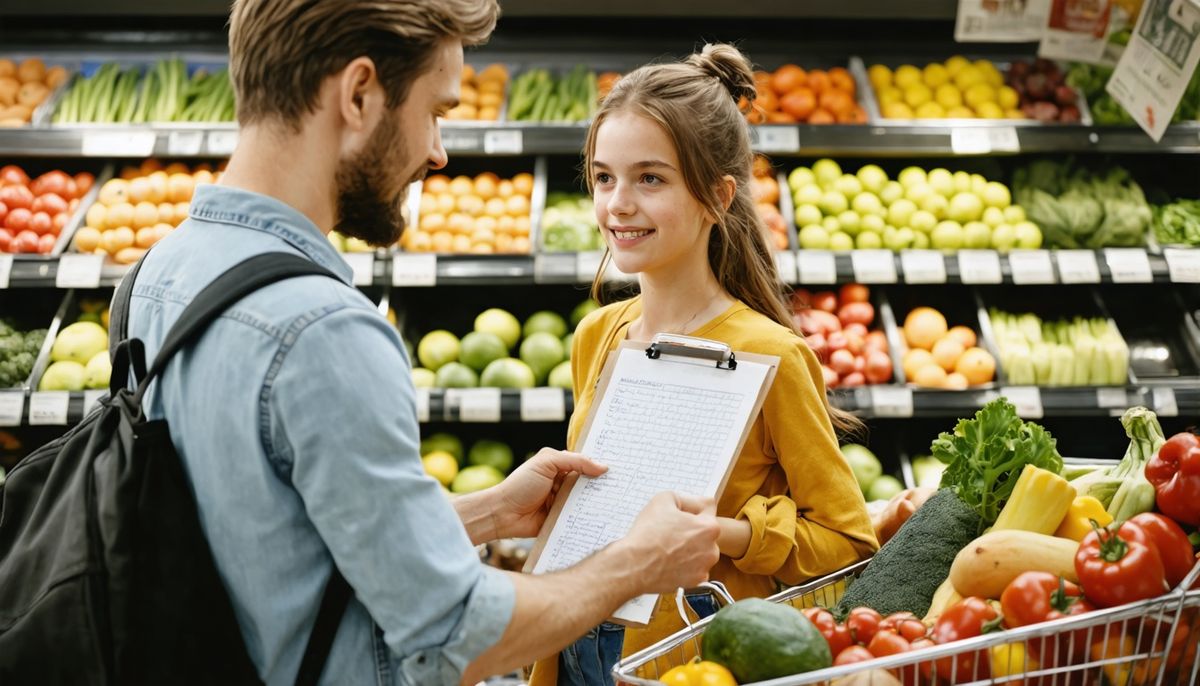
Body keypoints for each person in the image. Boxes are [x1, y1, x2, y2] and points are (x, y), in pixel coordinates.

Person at [121, 1, 722, 684]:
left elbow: (265, 524)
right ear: (359, 94)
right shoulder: (325, 331)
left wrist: (489, 512)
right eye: (434, 112)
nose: (437, 150)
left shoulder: (156, 273)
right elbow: (456, 636)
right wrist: (636, 564)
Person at [529, 44, 879, 686]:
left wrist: (725, 535)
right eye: (604, 177)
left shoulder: (772, 354)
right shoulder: (596, 335)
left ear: (718, 197)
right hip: (579, 635)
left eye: (650, 178)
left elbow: (849, 543)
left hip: (691, 657)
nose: (617, 205)